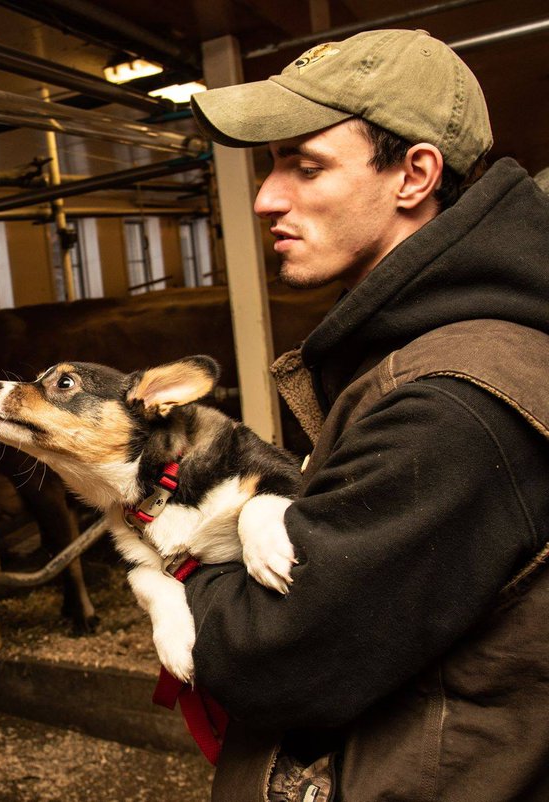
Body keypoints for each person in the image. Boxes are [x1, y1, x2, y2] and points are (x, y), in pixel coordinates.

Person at [184, 28, 549, 802]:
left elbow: (273, 660)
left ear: (414, 174)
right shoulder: (437, 345)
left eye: (304, 165)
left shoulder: (452, 403)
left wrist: (181, 558)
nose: (265, 197)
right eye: (272, 164)